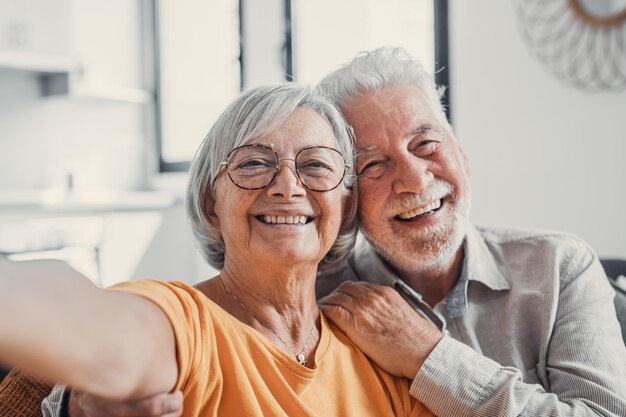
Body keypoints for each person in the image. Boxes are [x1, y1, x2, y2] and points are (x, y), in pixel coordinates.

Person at [40, 48, 626, 416]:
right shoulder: (313, 288)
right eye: (373, 164)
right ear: (347, 200)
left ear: (461, 155)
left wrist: (429, 358)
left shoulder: (559, 267)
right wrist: (81, 400)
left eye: (427, 146)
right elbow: (175, 331)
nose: (413, 177)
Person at [0, 83, 434, 417]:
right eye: (253, 163)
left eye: (316, 165)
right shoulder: (188, 323)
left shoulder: (379, 355)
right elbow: (100, 330)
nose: (286, 186)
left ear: (345, 203)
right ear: (212, 206)